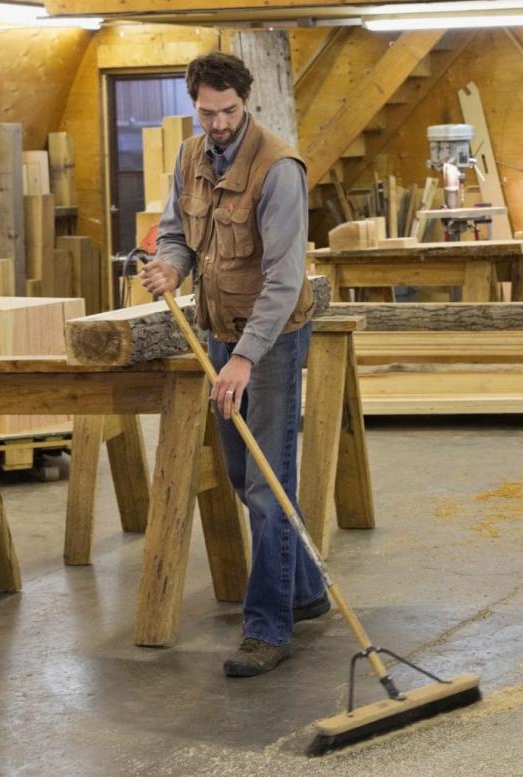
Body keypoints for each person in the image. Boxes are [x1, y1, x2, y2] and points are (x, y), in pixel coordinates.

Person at [140, 52, 328, 678]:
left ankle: (267, 630)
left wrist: (245, 358)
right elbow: (176, 234)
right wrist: (171, 265)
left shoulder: (278, 168)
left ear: (245, 101)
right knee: (248, 471)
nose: (217, 124)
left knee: (268, 482)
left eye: (227, 112)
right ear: (194, 105)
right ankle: (304, 593)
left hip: (268, 340)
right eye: (206, 112)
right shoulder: (191, 157)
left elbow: (283, 280)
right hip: (216, 330)